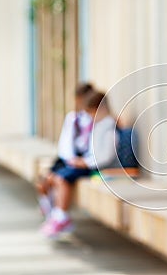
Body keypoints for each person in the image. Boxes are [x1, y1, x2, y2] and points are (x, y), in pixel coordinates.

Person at [40, 90, 119, 238]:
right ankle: (57, 215)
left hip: (96, 167)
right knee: (55, 177)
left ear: (100, 109)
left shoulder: (108, 128)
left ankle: (61, 216)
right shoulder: (99, 125)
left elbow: (106, 156)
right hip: (87, 163)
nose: (89, 116)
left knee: (62, 178)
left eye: (91, 112)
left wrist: (85, 163)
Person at [36, 83, 94, 219]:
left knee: (57, 179)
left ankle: (58, 215)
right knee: (44, 181)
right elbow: (65, 144)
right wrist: (70, 160)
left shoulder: (94, 120)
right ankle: (52, 212)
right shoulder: (74, 118)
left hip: (80, 160)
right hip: (68, 158)